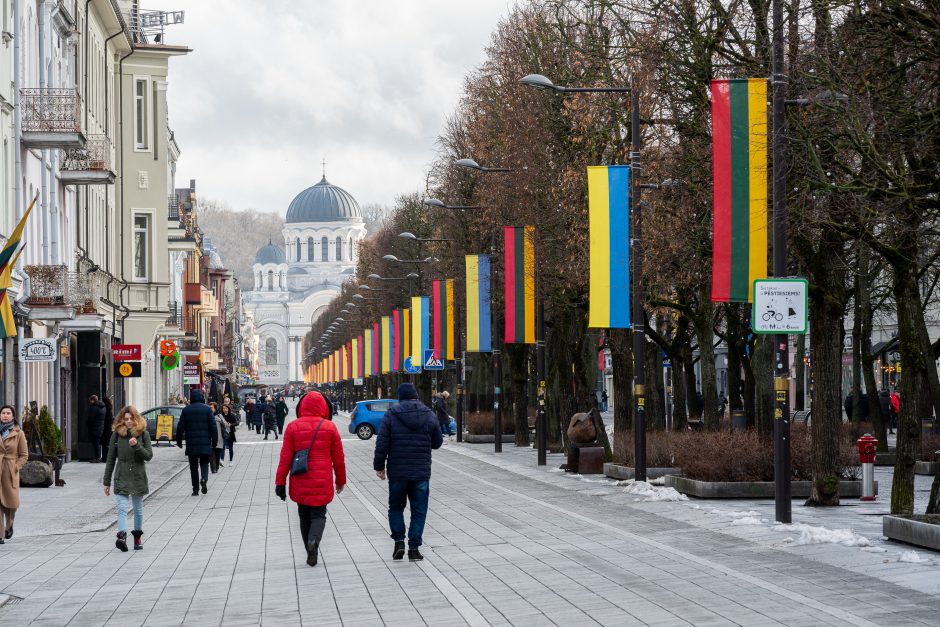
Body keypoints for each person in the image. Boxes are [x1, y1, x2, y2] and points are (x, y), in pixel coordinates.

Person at [275, 391, 346, 567]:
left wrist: (280, 482)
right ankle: (313, 541)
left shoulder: (292, 427)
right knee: (319, 514)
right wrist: (340, 480)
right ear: (324, 407)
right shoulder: (330, 427)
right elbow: (338, 458)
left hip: (300, 478)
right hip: (322, 479)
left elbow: (285, 458)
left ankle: (309, 551)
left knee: (304, 515)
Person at [373, 383, 443, 562]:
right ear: (416, 396)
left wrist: (379, 466)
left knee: (396, 507)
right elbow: (437, 442)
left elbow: (382, 443)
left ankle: (398, 542)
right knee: (419, 510)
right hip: (421, 472)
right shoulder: (429, 414)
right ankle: (414, 548)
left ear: (400, 397)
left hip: (397, 472)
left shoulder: (391, 415)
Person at [103, 405, 153, 551]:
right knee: (122, 509)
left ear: (136, 419)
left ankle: (137, 539)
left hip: (138, 476)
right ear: (122, 420)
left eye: (131, 419)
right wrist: (106, 482)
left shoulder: (144, 434)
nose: (129, 422)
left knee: (138, 510)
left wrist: (137, 445)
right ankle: (122, 537)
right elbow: (111, 459)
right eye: (126, 419)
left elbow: (148, 456)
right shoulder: (117, 435)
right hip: (122, 475)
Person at [176, 389, 218, 496]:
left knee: (193, 467)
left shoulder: (186, 410)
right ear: (202, 398)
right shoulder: (208, 409)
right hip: (205, 442)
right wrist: (215, 441)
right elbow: (213, 427)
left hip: (191, 444)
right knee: (204, 463)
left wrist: (179, 441)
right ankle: (204, 479)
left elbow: (180, 427)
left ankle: (195, 489)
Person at [0, 405, 28, 544]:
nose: (5, 415)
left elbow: (24, 455)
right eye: (3, 413)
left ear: (12, 416)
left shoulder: (19, 433)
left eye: (8, 413)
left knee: (11, 504)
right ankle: (0, 535)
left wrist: (15, 467)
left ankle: (9, 524)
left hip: (10, 471)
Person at [87, 395, 107, 462]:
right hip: (101, 427)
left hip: (95, 427)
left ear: (93, 400)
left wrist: (87, 424)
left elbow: (91, 418)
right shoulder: (103, 407)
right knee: (98, 442)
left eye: (90, 400)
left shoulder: (94, 407)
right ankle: (98, 457)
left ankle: (97, 458)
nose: (89, 402)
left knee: (96, 443)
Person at [211, 403, 227, 472]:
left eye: (211, 407)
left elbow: (225, 424)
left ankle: (216, 467)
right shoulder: (207, 415)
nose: (210, 409)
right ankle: (213, 469)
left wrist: (217, 419)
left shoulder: (219, 415)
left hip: (219, 437)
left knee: (217, 454)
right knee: (211, 455)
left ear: (215, 408)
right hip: (210, 437)